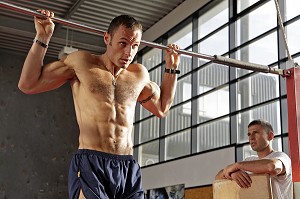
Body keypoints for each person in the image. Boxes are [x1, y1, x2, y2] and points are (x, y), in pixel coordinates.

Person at [18, 10, 180, 199]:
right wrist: (42, 36)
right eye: (123, 43)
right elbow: (28, 84)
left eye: (135, 46)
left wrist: (172, 67)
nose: (129, 52)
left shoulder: (139, 75)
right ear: (107, 38)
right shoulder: (82, 62)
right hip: (91, 163)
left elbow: (162, 108)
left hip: (127, 167)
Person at [215, 119, 293, 199]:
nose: (251, 138)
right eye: (249, 134)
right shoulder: (249, 160)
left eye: (256, 133)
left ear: (270, 136)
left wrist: (237, 166)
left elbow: (271, 167)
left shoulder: (282, 157)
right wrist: (232, 173)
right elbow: (218, 177)